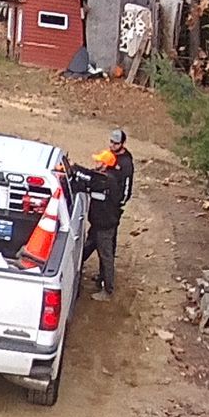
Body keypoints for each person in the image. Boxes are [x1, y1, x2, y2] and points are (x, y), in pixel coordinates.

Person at [74, 127, 135, 298]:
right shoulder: (106, 176)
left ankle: (107, 290)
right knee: (89, 246)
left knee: (106, 254)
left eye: (116, 143)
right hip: (100, 220)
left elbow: (88, 180)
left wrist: (115, 208)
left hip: (106, 221)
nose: (97, 164)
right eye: (111, 142)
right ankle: (81, 272)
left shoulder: (113, 175)